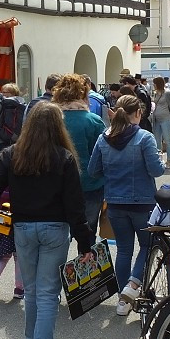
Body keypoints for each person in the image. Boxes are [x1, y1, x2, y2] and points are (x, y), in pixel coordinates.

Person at [0, 102, 93, 339]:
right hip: (56, 229)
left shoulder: (12, 155)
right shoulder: (65, 158)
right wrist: (85, 242)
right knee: (47, 295)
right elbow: (75, 206)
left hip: (22, 229)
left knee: (31, 292)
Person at [88, 94, 164, 315]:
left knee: (123, 249)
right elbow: (156, 170)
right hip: (143, 202)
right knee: (147, 245)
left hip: (114, 202)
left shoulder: (104, 138)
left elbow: (93, 171)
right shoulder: (145, 138)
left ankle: (123, 301)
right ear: (138, 113)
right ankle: (133, 286)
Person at [52, 74, 106, 235]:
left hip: (58, 183)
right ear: (83, 95)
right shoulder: (94, 121)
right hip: (91, 183)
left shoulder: (52, 120)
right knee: (88, 232)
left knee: (61, 233)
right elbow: (102, 156)